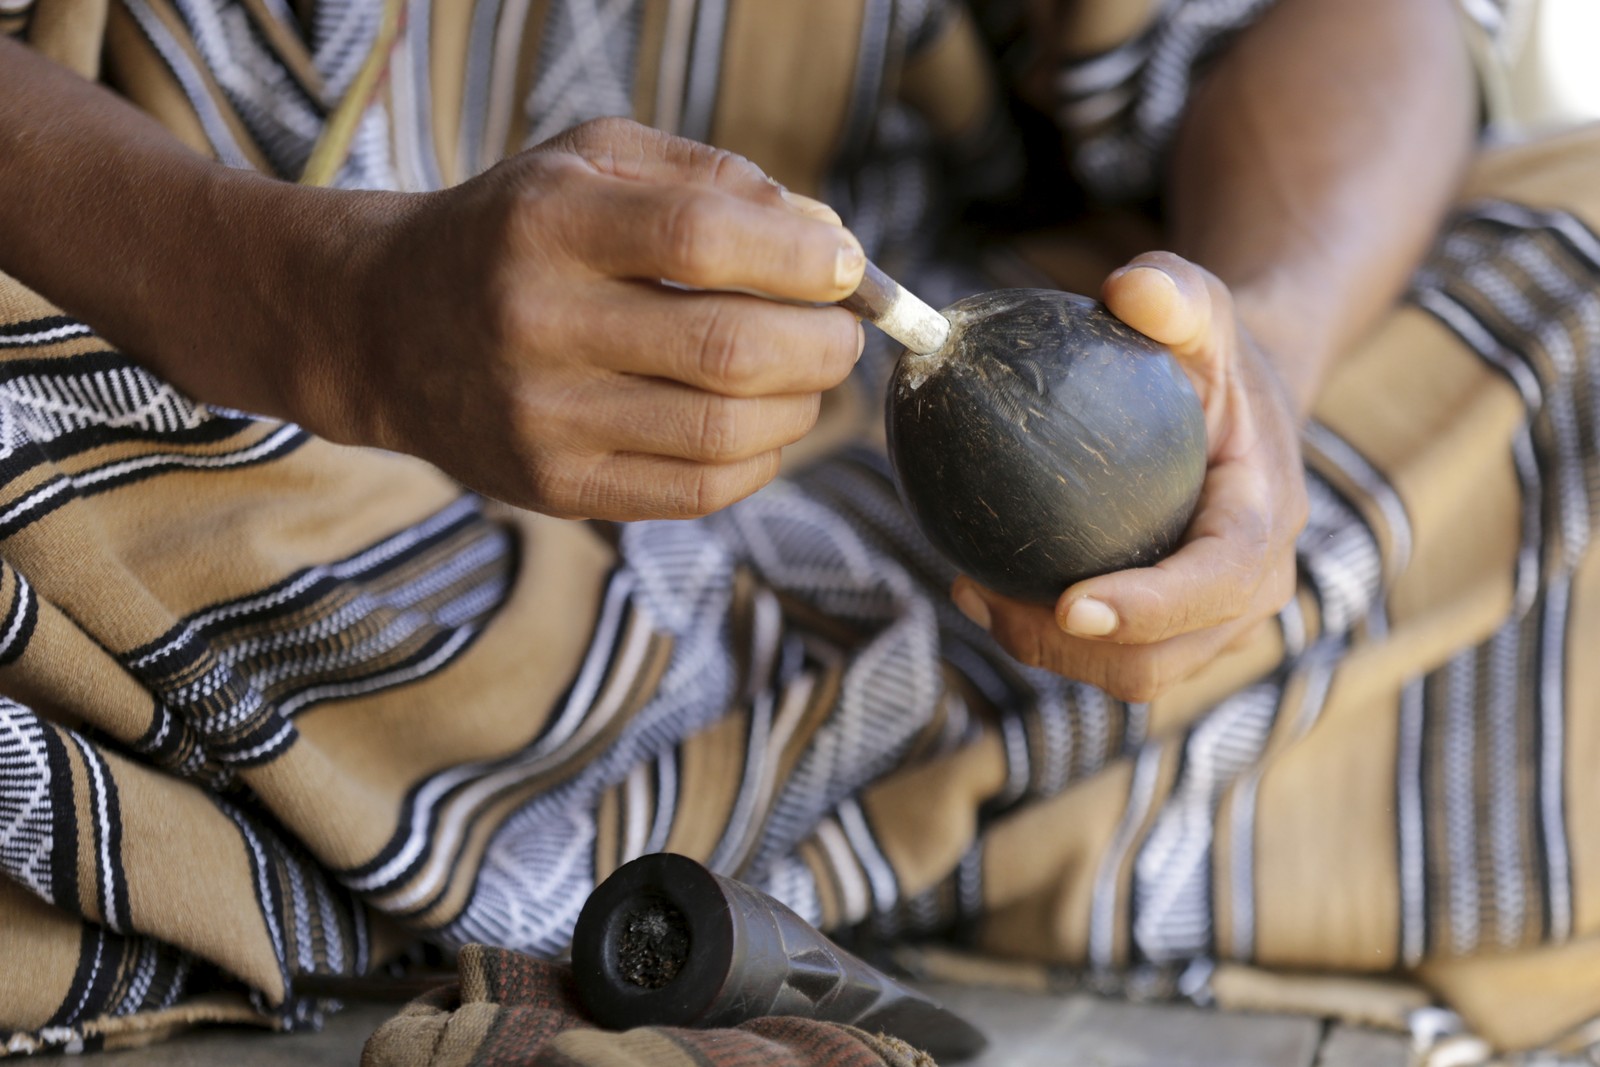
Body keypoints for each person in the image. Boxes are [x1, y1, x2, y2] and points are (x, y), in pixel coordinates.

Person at [0, 0, 1596, 1061]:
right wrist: (309, 305)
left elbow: (1344, 24)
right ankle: (828, 846)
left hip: (853, 524)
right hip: (166, 396)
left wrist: (1270, 359)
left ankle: (664, 845)